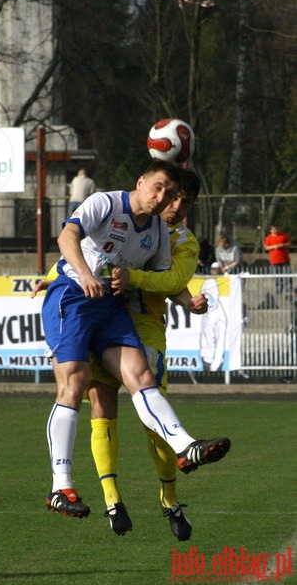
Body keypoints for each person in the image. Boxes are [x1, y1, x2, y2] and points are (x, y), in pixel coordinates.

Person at [40, 160, 231, 521]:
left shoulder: (159, 232)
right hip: (74, 296)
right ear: (140, 181)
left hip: (113, 307)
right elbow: (67, 236)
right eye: (157, 188)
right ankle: (60, 486)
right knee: (76, 384)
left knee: (140, 374)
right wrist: (80, 274)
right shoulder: (105, 203)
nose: (162, 198)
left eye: (171, 194)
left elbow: (164, 279)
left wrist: (187, 301)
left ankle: (186, 445)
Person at [87, 169, 212, 540]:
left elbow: (172, 281)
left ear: (191, 206)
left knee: (152, 417)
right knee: (100, 402)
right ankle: (113, 501)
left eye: (183, 201)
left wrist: (138, 279)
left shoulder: (183, 240)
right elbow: (89, 247)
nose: (173, 206)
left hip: (145, 325)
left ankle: (169, 499)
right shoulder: (124, 217)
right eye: (170, 197)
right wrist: (54, 274)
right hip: (100, 317)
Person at [264, 225, 293, 295]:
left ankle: (288, 287)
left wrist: (282, 245)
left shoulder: (283, 235)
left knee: (287, 273)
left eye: (276, 229)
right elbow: (266, 248)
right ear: (271, 231)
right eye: (273, 230)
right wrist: (274, 247)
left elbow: (289, 243)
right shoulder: (269, 238)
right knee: (277, 275)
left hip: (284, 259)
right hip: (274, 260)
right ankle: (279, 288)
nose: (275, 231)